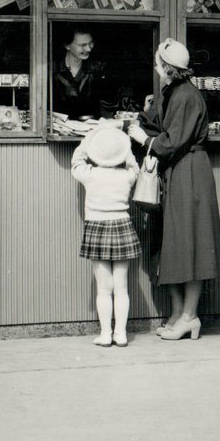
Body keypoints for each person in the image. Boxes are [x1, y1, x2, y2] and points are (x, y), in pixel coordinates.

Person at [127, 39, 220, 341]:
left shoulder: (185, 96)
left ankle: (190, 316)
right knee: (173, 245)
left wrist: (143, 139)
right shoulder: (174, 93)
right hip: (180, 172)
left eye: (158, 63)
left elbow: (171, 141)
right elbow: (158, 126)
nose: (155, 68)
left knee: (189, 245)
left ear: (168, 68)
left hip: (188, 173)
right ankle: (180, 313)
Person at [71, 126, 141, 348]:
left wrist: (90, 136)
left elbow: (76, 161)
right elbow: (134, 166)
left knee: (104, 287)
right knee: (121, 286)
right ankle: (121, 334)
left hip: (97, 227)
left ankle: (105, 333)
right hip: (122, 226)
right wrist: (124, 147)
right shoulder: (127, 176)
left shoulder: (89, 175)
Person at [52, 28, 107, 119]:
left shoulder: (97, 69)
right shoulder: (51, 69)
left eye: (91, 43)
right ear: (67, 45)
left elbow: (105, 104)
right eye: (83, 45)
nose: (88, 49)